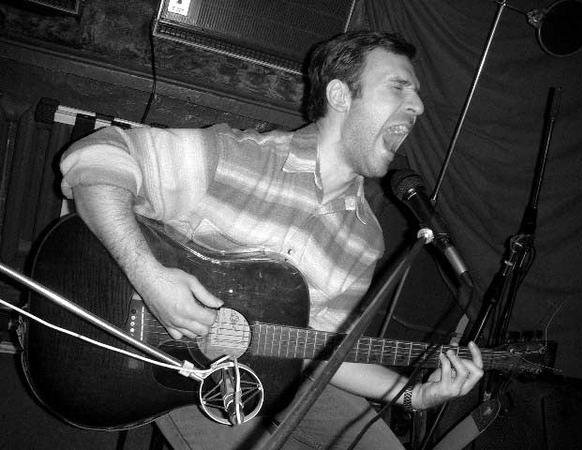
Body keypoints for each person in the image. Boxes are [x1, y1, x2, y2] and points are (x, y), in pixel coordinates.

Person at [60, 31, 484, 449]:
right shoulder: (236, 158)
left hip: (276, 372)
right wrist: (149, 278)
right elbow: (96, 154)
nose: (418, 105)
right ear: (340, 95)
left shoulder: (365, 240)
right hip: (168, 366)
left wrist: (414, 396)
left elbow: (324, 350)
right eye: (398, 86)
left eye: (416, 94)